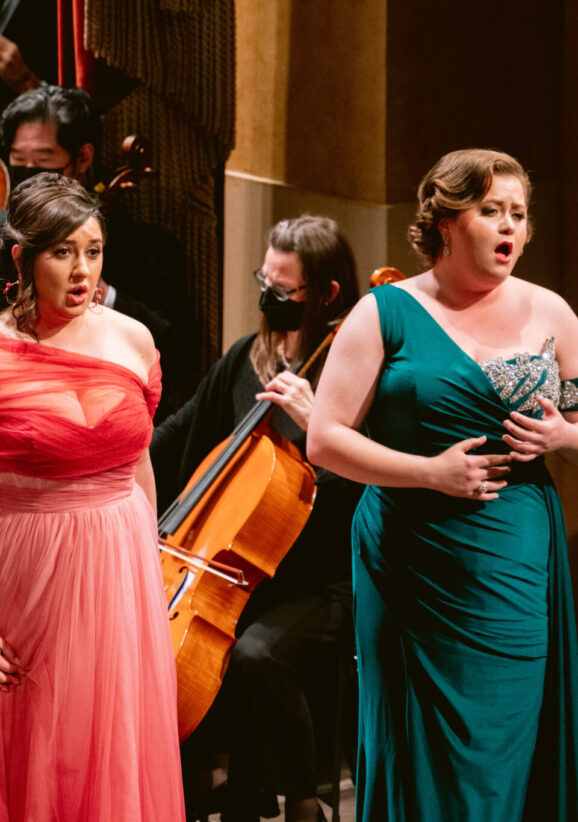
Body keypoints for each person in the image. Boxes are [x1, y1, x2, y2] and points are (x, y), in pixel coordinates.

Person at [306, 148, 578, 821]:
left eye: (519, 213)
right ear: (448, 221)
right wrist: (428, 473)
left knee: (502, 741)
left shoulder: (553, 314)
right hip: (409, 557)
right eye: (491, 211)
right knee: (414, 742)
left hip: (511, 557)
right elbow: (325, 437)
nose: (510, 226)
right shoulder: (384, 313)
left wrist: (565, 437)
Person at [151, 214, 362, 822]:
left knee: (254, 657)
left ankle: (301, 800)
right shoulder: (250, 356)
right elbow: (179, 432)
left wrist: (317, 420)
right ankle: (198, 792)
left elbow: (357, 489)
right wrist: (116, 456)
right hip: (236, 575)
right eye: (263, 281)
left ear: (326, 295)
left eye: (284, 288)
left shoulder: (342, 376)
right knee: (160, 651)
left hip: (319, 581)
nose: (268, 297)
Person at [0, 173, 185, 821]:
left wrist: (154, 562)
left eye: (94, 250)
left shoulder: (131, 339)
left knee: (107, 754)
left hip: (120, 574)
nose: (83, 271)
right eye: (62, 252)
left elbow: (138, 461)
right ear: (22, 257)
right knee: (34, 752)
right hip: (25, 581)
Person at [0, 84, 198, 418]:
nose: (28, 178)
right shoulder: (4, 240)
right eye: (19, 163)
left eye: (44, 163)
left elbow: (179, 356)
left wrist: (99, 289)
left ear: (83, 158)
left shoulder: (149, 248)